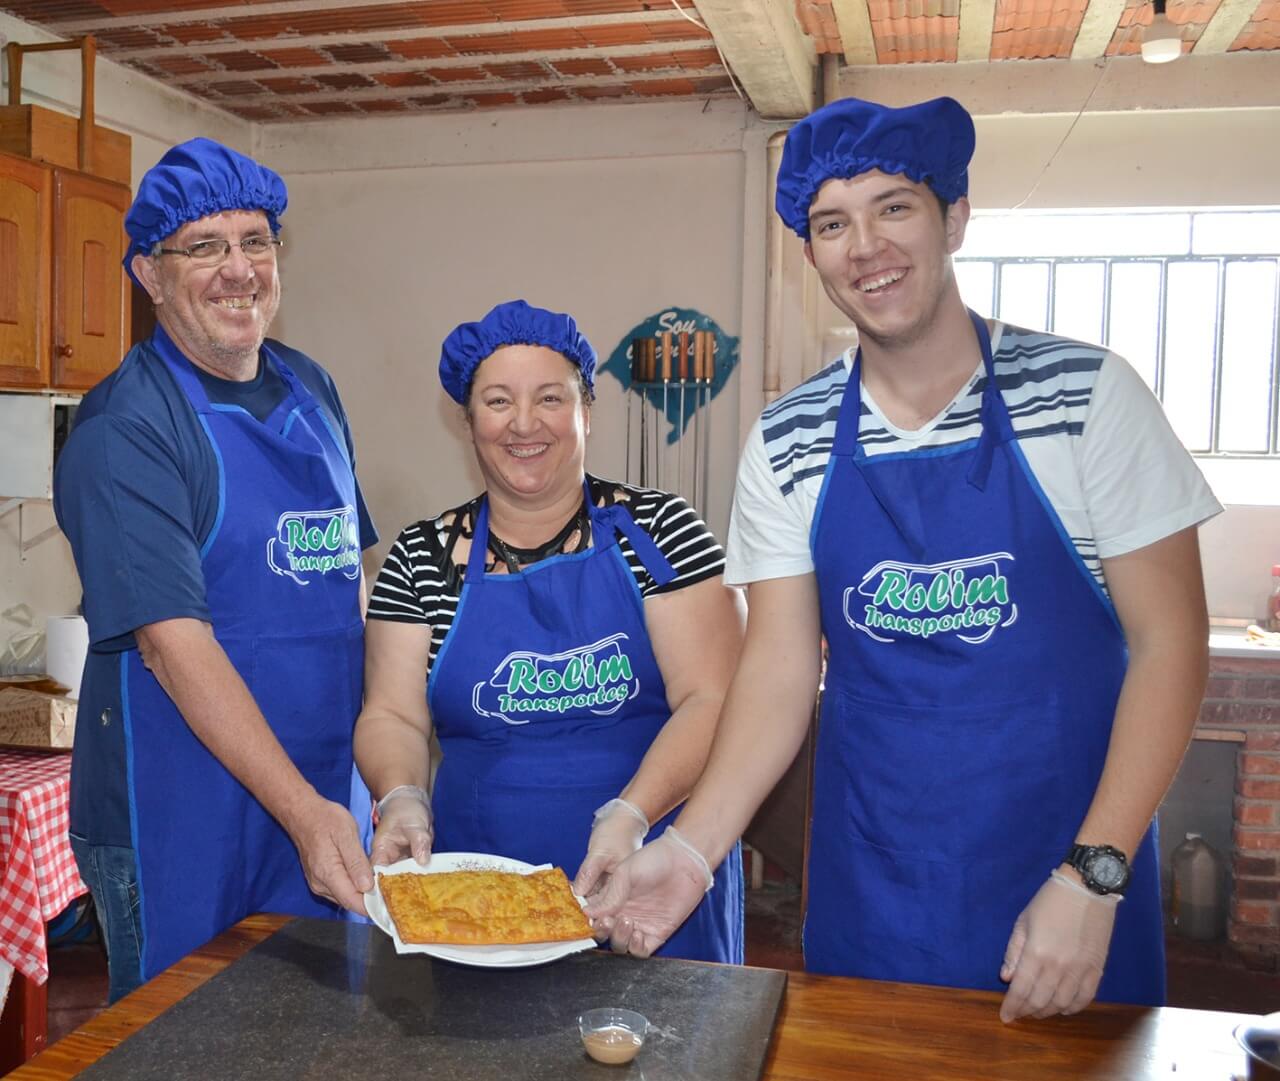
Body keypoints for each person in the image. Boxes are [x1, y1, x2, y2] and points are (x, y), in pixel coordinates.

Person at [587, 97, 1220, 1020]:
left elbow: (1172, 647)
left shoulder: (1085, 397)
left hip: (1064, 871)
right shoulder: (789, 438)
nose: (866, 246)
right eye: (833, 223)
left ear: (954, 216)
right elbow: (776, 667)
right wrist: (691, 850)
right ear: (812, 258)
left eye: (895, 206)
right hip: (873, 881)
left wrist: (1096, 875)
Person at [54, 138, 377, 1002]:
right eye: (204, 247)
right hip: (181, 813)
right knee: (182, 1044)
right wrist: (306, 810)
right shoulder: (127, 427)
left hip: (320, 797)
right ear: (149, 276)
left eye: (256, 241)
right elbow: (172, 646)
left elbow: (352, 588)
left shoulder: (313, 390)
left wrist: (385, 770)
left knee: (318, 1041)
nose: (239, 269)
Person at [353, 299, 745, 962]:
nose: (525, 424)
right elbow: (392, 711)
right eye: (499, 400)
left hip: (650, 884)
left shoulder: (661, 533)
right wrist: (403, 794)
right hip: (476, 902)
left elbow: (715, 699)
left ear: (587, 411)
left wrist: (633, 814)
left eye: (550, 398)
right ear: (468, 420)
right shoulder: (421, 557)